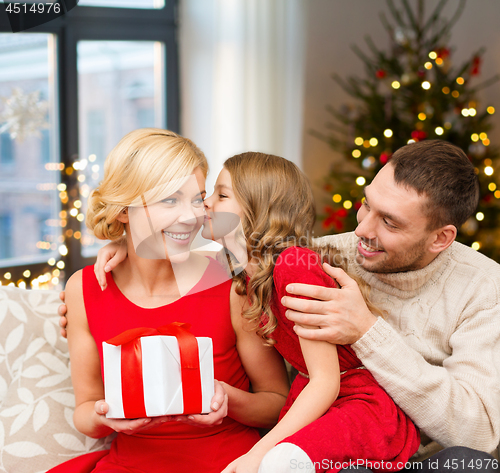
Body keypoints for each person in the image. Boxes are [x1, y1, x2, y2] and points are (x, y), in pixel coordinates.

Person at [75, 152, 421, 473]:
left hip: (354, 401)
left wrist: (258, 452)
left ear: (257, 208)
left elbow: (326, 380)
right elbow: (157, 241)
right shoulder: (240, 271)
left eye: (219, 196)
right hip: (320, 399)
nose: (202, 206)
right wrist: (122, 241)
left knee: (279, 461)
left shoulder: (292, 265)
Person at [50, 129, 289, 473]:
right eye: (169, 200)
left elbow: (276, 402)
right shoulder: (84, 289)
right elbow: (85, 412)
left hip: (227, 462)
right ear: (122, 209)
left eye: (197, 199)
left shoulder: (232, 283)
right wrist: (109, 416)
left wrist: (224, 396)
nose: (191, 216)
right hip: (130, 464)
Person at [277, 140, 500, 472]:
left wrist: (367, 332)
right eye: (366, 205)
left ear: (440, 238)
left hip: (428, 463)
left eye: (390, 223)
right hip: (336, 451)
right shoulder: (321, 258)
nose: (362, 229)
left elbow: (478, 434)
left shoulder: (484, 287)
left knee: (470, 464)